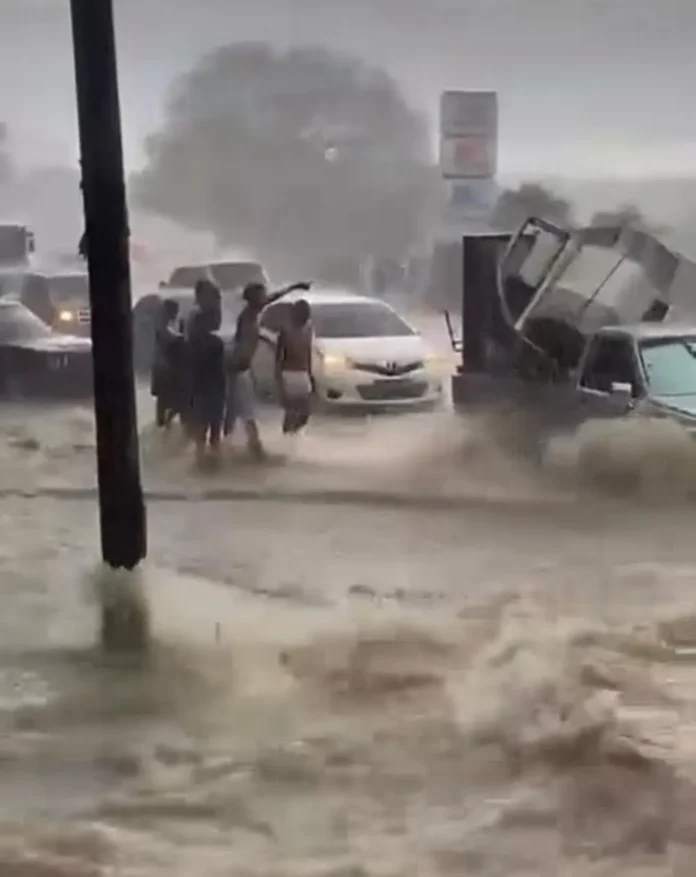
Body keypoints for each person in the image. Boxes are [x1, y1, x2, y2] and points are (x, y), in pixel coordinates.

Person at [224, 279, 312, 457]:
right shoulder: (248, 315)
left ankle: (227, 447)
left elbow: (247, 338)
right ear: (254, 298)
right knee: (242, 411)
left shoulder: (251, 315)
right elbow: (243, 342)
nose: (265, 297)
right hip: (237, 368)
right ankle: (251, 449)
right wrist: (293, 287)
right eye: (262, 294)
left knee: (236, 411)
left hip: (241, 368)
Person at [189, 305, 226, 465]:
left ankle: (200, 458)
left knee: (202, 426)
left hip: (201, 389)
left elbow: (190, 369)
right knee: (214, 427)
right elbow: (221, 369)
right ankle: (214, 458)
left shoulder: (192, 344)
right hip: (214, 389)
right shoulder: (216, 342)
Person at [276, 298, 313, 435]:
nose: (305, 317)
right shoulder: (286, 330)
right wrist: (279, 380)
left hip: (303, 373)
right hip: (288, 373)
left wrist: (310, 374)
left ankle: (292, 433)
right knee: (290, 410)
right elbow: (278, 357)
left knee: (306, 412)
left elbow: (308, 351)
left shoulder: (309, 328)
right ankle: (287, 438)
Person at [150, 298, 185, 428]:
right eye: (174, 311)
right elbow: (172, 339)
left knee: (167, 401)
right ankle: (162, 426)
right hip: (163, 368)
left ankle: (163, 426)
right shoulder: (162, 326)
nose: (176, 314)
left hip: (165, 367)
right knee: (166, 401)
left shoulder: (169, 324)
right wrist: (183, 335)